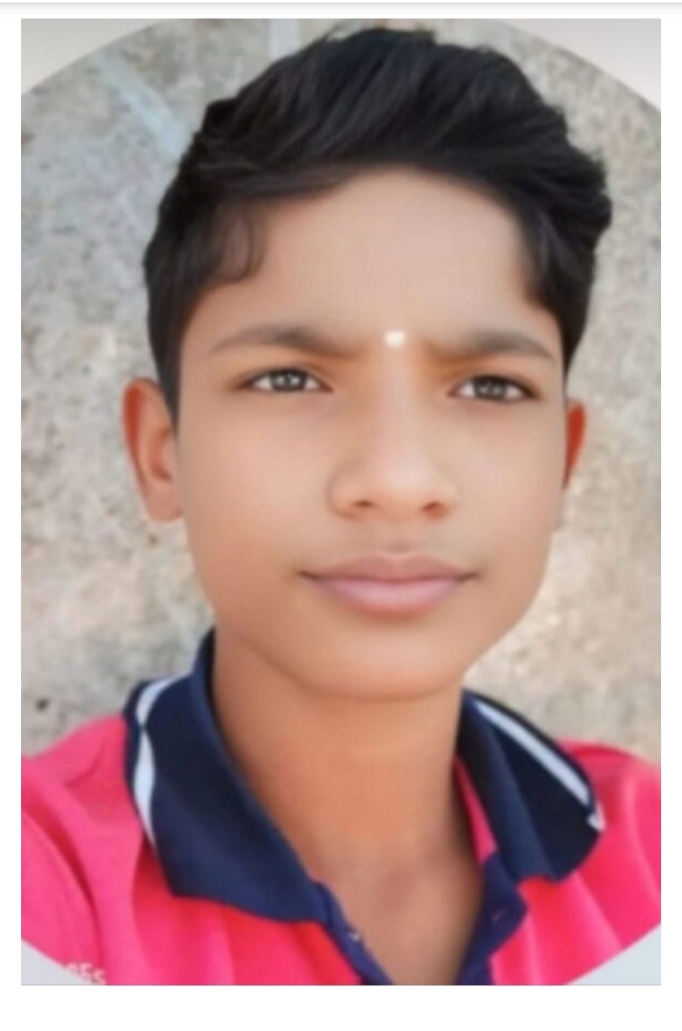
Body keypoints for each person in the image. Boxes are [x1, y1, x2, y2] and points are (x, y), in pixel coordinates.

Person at [21, 27, 660, 986]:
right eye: (288, 378)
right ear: (161, 453)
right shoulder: (43, 884)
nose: (397, 479)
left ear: (562, 463)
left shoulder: (650, 856)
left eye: (489, 386)